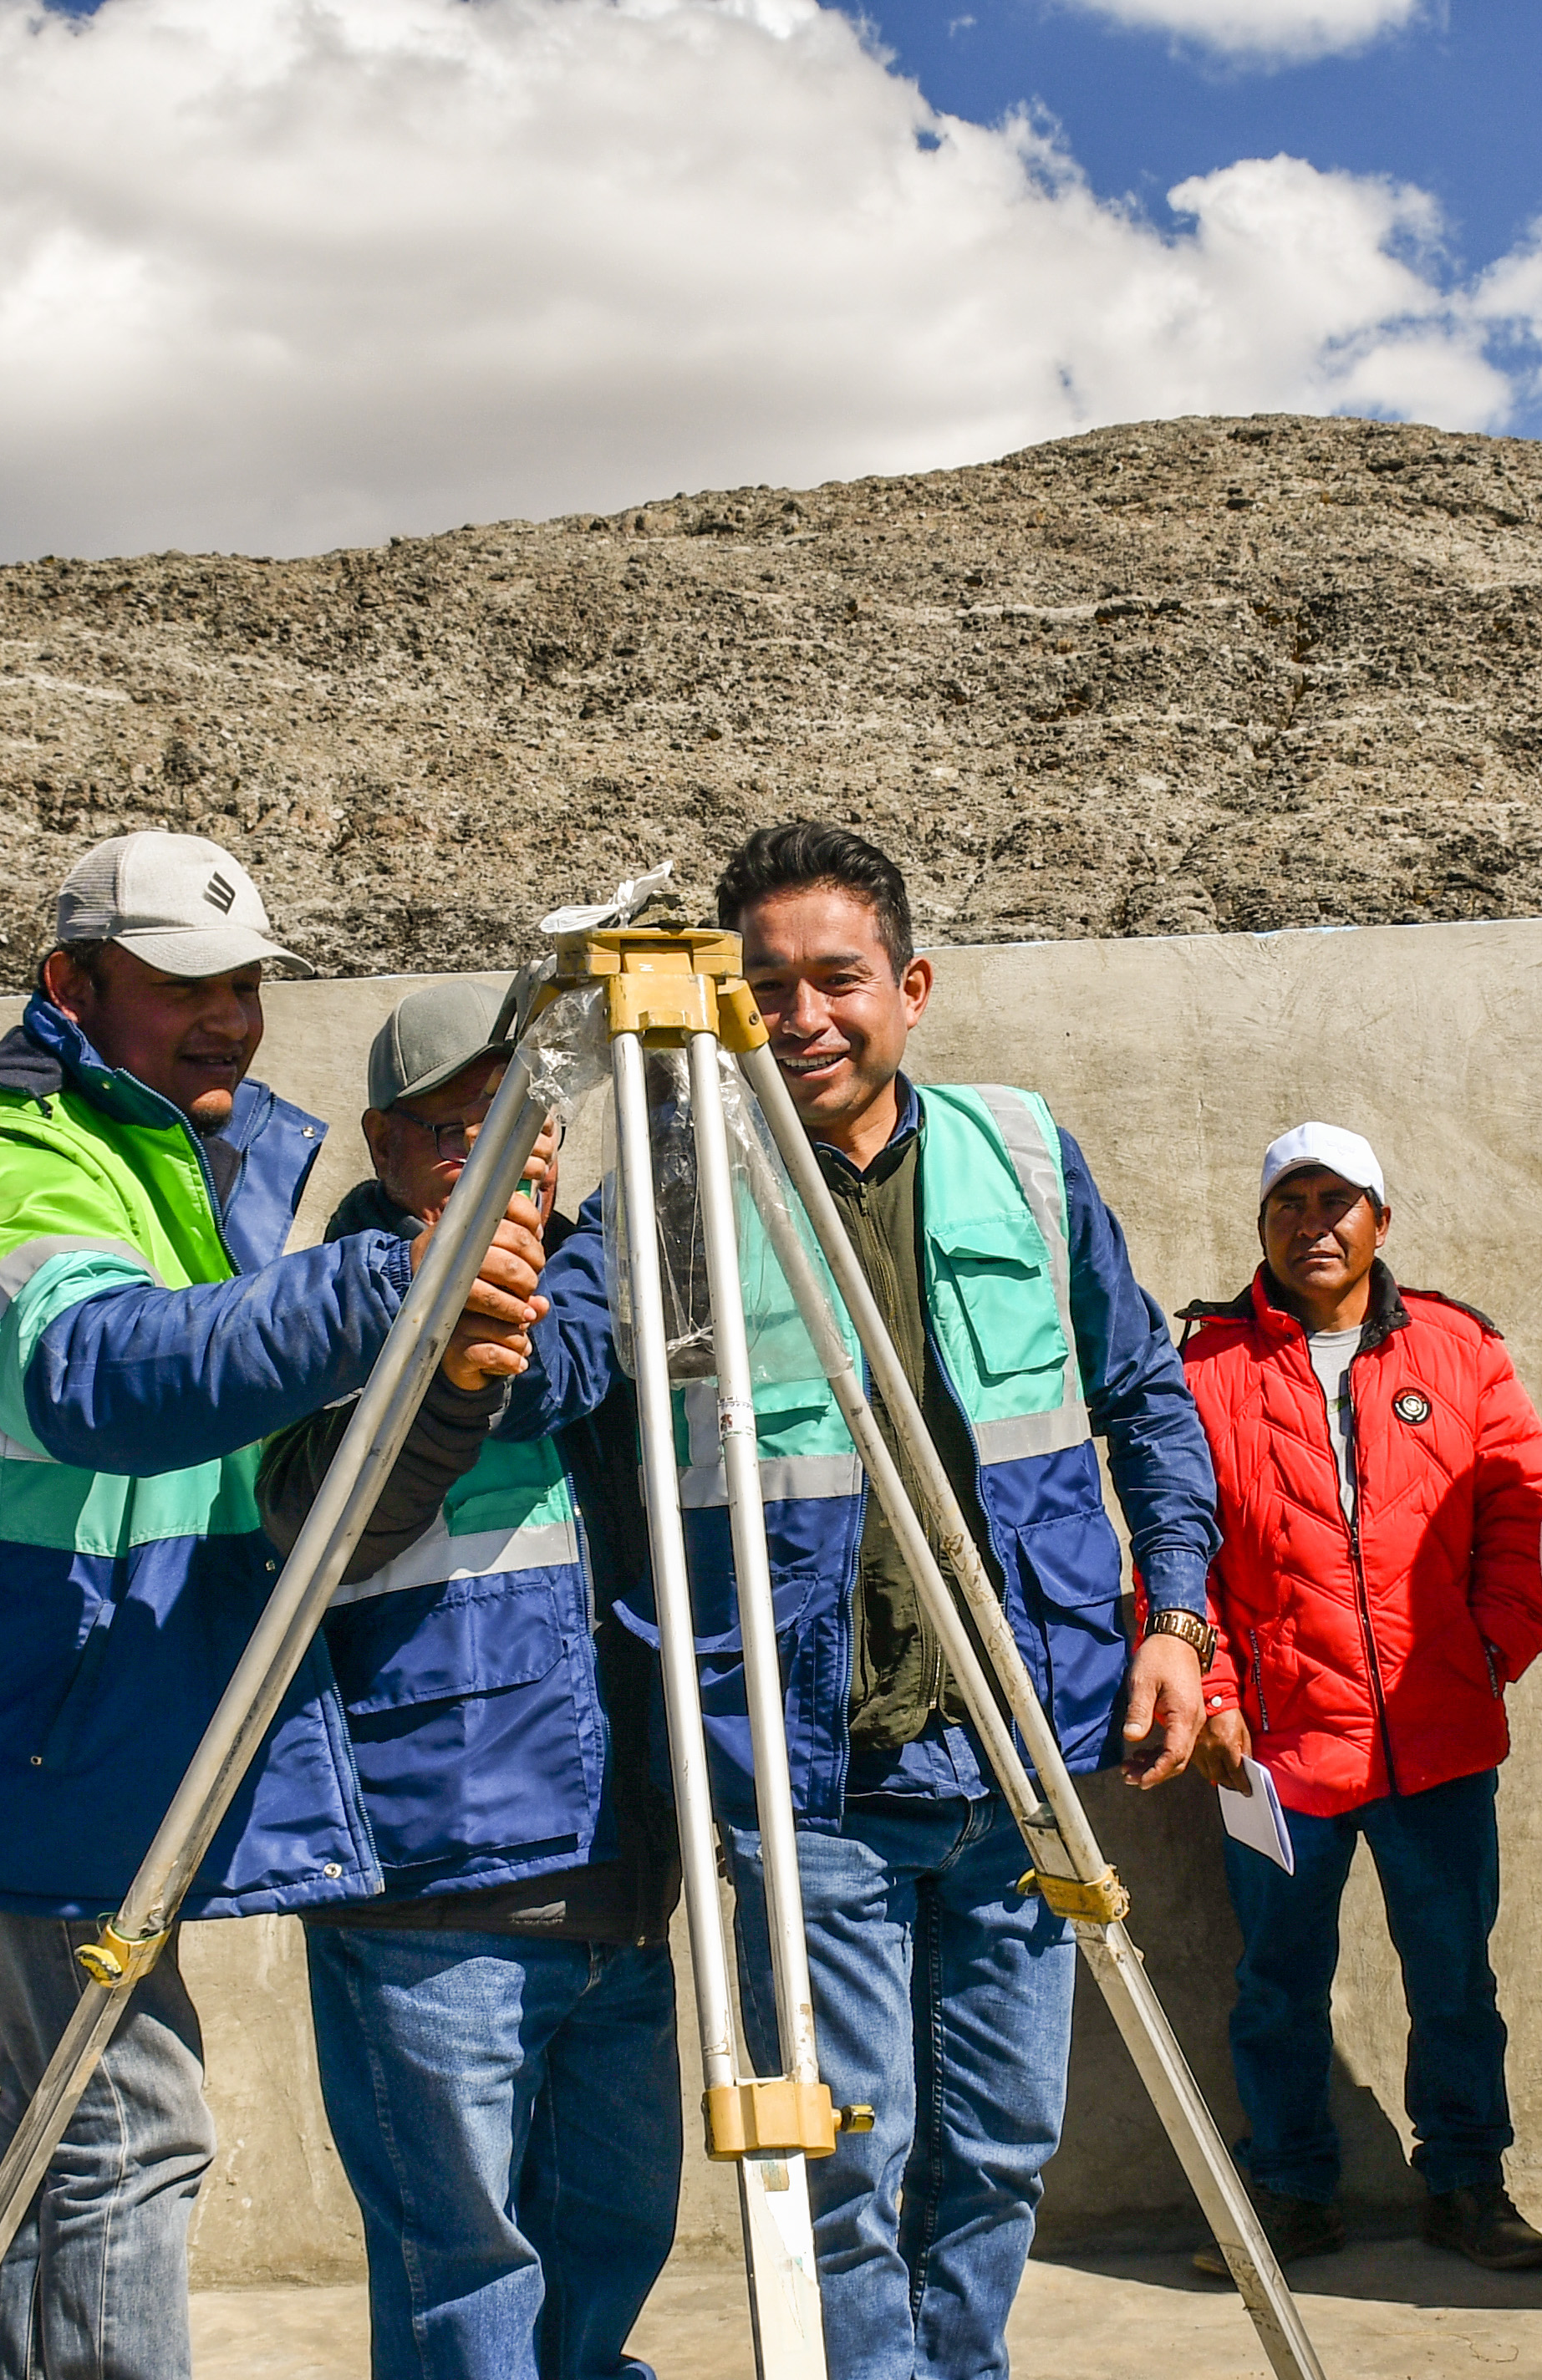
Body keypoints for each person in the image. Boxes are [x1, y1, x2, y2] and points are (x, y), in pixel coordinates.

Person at [0, 833, 549, 2380]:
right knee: (126, 2117)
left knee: (69, 2106)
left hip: (74, 1709)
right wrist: (382, 1292)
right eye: (182, 988)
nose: (228, 1019)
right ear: (70, 985)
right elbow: (93, 1371)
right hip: (20, 1717)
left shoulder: (168, 1159)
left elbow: (247, 1450)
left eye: (248, 984)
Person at [503, 821, 1221, 2380]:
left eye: (838, 979)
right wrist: (478, 1254)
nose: (806, 1014)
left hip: (1019, 1746)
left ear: (910, 985)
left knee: (1001, 2147)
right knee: (842, 2164)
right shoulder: (672, 1188)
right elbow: (557, 1364)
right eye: (765, 986)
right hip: (804, 1761)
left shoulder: (1018, 1151)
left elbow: (1142, 1395)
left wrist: (1175, 1622)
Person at [253, 978, 683, 2380]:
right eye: (461, 1133)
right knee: (468, 2287)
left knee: (616, 2234)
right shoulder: (331, 1314)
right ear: (383, 1143)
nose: (510, 1157)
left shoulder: (593, 1290)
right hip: (433, 1884)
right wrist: (475, 1335)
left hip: (614, 1878)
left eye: (529, 1123)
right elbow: (330, 1519)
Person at [1177, 1123, 1542, 2276]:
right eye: (1290, 1205)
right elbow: (1175, 1549)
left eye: (1338, 1203)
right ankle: (1291, 2191)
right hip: (1268, 1751)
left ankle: (1467, 2183)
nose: (1315, 1226)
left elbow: (1522, 1505)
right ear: (1263, 1228)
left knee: (1453, 1972)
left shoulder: (1458, 1349)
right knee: (1276, 1981)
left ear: (1380, 1221)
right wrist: (1212, 1693)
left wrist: (1490, 1649)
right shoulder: (1205, 1371)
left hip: (1435, 1738)